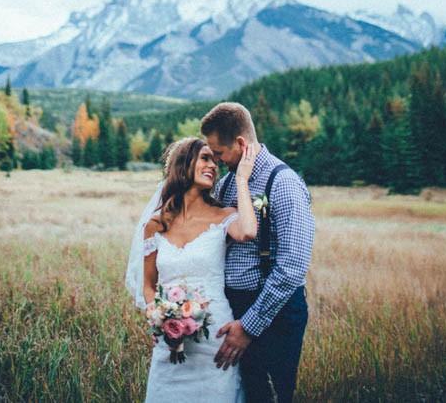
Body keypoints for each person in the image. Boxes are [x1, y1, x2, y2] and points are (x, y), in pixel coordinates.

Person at [125, 136, 258, 402]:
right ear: (184, 164)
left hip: (215, 341)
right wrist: (160, 320)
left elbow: (248, 230)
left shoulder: (223, 216)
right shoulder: (156, 224)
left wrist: (242, 179)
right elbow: (149, 286)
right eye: (205, 158)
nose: (213, 166)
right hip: (171, 343)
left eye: (215, 160)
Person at [201, 102, 315, 403]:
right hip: (233, 309)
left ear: (240, 143)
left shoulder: (284, 183)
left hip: (274, 313)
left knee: (272, 396)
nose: (216, 161)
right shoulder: (227, 185)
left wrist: (249, 326)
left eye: (220, 154)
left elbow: (292, 267)